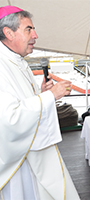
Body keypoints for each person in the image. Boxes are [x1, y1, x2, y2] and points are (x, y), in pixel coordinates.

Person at [0, 6, 79, 199]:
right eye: (28, 29)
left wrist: (41, 92)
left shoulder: (17, 61)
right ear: (8, 33)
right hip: (17, 162)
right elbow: (10, 119)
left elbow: (23, 102)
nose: (35, 35)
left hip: (30, 153)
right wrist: (51, 96)